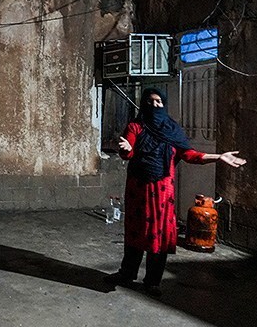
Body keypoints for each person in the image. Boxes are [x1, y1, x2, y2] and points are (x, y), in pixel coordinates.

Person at [104, 87, 246, 297]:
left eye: (158, 102)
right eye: (150, 101)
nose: (154, 105)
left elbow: (189, 154)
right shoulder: (135, 126)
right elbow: (129, 152)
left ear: (164, 104)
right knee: (136, 232)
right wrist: (125, 149)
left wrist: (218, 157)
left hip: (163, 191)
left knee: (160, 235)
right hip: (139, 189)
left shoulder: (172, 130)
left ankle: (153, 282)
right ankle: (127, 274)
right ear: (144, 104)